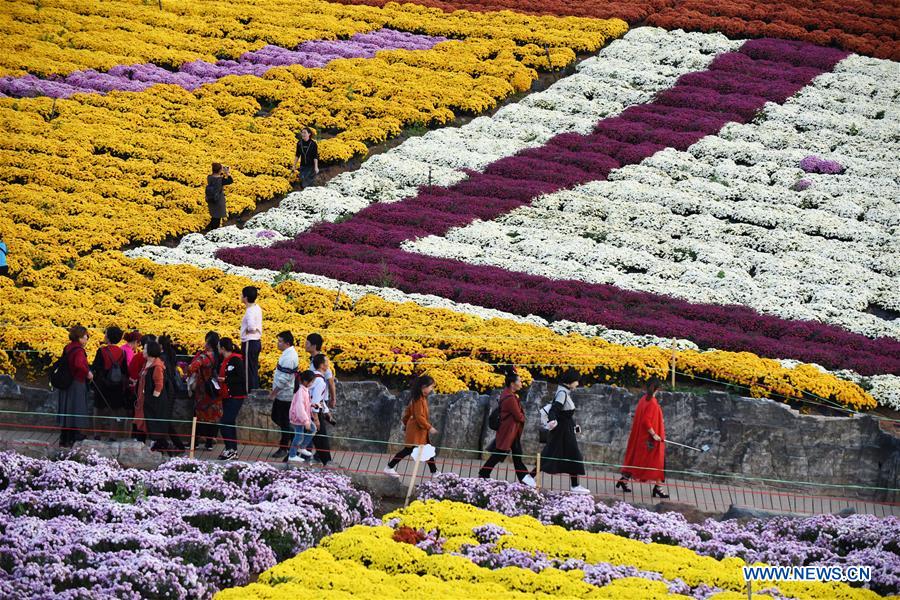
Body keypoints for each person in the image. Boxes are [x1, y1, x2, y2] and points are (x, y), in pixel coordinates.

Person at [479, 369, 535, 487]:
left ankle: (525, 479)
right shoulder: (510, 398)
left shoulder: (508, 394)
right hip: (509, 431)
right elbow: (519, 416)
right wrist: (523, 416)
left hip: (511, 431)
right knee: (500, 454)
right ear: (512, 383)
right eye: (519, 381)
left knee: (515, 455)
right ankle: (484, 473)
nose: (521, 383)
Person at [540, 369, 589, 494]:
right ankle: (575, 486)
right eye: (576, 381)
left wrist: (574, 425)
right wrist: (552, 420)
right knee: (558, 453)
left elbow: (565, 414)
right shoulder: (562, 393)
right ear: (570, 381)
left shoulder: (564, 392)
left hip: (566, 430)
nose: (577, 383)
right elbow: (554, 410)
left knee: (564, 454)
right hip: (562, 431)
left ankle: (575, 485)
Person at [618, 379, 669, 498]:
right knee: (659, 462)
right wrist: (654, 434)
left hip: (641, 437)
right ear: (658, 389)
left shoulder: (644, 399)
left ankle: (624, 480)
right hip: (650, 440)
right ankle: (658, 488)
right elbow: (646, 421)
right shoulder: (652, 402)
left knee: (636, 459)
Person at [384, 375, 439, 477]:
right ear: (424, 387)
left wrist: (407, 424)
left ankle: (435, 472)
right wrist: (429, 427)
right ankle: (389, 467)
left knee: (424, 450)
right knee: (410, 450)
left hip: (416, 430)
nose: (432, 389)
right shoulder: (419, 400)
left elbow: (408, 413)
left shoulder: (419, 398)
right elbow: (419, 417)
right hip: (417, 431)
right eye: (431, 386)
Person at [90, 326, 129, 441]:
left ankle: (97, 434)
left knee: (98, 409)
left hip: (102, 384)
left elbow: (96, 367)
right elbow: (124, 371)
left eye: (106, 334)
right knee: (115, 411)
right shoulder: (122, 352)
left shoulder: (102, 351)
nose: (104, 335)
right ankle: (113, 436)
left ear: (108, 337)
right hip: (116, 385)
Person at [57, 325, 93, 447]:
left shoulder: (68, 347)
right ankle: (74, 436)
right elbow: (78, 364)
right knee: (76, 408)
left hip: (66, 382)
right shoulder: (79, 350)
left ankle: (64, 437)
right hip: (77, 382)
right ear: (80, 337)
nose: (87, 338)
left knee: (67, 408)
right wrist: (88, 373)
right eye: (85, 336)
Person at [187, 331, 221, 451]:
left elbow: (191, 368)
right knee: (213, 418)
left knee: (198, 417)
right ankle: (209, 443)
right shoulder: (219, 356)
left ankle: (195, 442)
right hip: (215, 390)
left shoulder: (204, 357)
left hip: (203, 391)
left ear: (208, 343)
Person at [141, 341, 177, 455]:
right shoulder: (149, 363)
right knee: (155, 427)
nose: (143, 351)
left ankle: (166, 448)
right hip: (150, 400)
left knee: (156, 426)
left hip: (156, 402)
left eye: (145, 349)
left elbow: (159, 385)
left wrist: (153, 398)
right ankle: (161, 448)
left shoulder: (157, 366)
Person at [269, 331, 299, 458]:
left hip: (285, 395)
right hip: (281, 394)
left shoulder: (289, 357)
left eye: (280, 341)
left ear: (287, 343)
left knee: (283, 421)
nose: (278, 343)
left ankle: (285, 446)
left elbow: (285, 379)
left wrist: (274, 392)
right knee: (276, 417)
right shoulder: (287, 354)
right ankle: (292, 437)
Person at [217, 337, 246, 460]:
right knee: (229, 422)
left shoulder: (236, 360)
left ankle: (231, 448)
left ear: (223, 348)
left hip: (235, 396)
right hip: (226, 396)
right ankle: (231, 449)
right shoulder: (224, 360)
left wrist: (226, 379)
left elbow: (241, 378)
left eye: (219, 347)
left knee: (225, 422)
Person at [158, 335, 187, 453]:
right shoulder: (170, 355)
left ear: (160, 345)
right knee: (165, 419)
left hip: (166, 391)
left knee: (164, 420)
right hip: (171, 391)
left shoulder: (162, 358)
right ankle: (164, 443)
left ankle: (177, 445)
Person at [306, 354, 332, 466]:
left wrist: (326, 411)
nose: (328, 364)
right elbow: (316, 400)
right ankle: (328, 464)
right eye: (326, 362)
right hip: (314, 413)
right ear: (322, 365)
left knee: (309, 439)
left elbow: (319, 399)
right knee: (322, 440)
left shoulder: (314, 377)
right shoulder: (320, 381)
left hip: (308, 411)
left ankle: (327, 462)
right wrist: (316, 419)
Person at [130, 334, 156, 441]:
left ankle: (136, 437)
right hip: (144, 393)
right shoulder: (153, 360)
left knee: (137, 416)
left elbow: (131, 372)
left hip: (137, 392)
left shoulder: (138, 357)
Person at [288, 370, 317, 463]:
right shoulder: (301, 391)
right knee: (299, 436)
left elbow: (305, 404)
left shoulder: (304, 390)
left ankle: (302, 447)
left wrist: (312, 405)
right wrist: (306, 421)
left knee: (312, 429)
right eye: (311, 381)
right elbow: (299, 407)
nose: (312, 384)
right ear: (305, 381)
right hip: (299, 417)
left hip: (302, 417)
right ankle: (292, 455)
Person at [304, 333, 337, 411]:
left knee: (317, 418)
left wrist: (333, 399)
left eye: (307, 343)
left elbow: (331, 381)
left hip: (320, 400)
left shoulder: (322, 361)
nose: (305, 345)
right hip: (314, 398)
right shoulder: (314, 359)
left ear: (314, 346)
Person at [240, 285, 262, 393]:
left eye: (242, 295)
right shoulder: (257, 307)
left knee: (248, 370)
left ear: (246, 297)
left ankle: (249, 393)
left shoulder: (249, 311)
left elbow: (252, 327)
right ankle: (255, 391)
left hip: (250, 342)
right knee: (253, 369)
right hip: (256, 341)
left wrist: (249, 331)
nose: (240, 296)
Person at [205, 162, 233, 229]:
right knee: (217, 217)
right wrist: (227, 173)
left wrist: (221, 172)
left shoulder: (209, 177)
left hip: (210, 198)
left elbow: (216, 177)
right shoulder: (221, 180)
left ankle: (209, 227)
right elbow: (230, 180)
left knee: (214, 214)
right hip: (218, 200)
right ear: (220, 170)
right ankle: (213, 230)